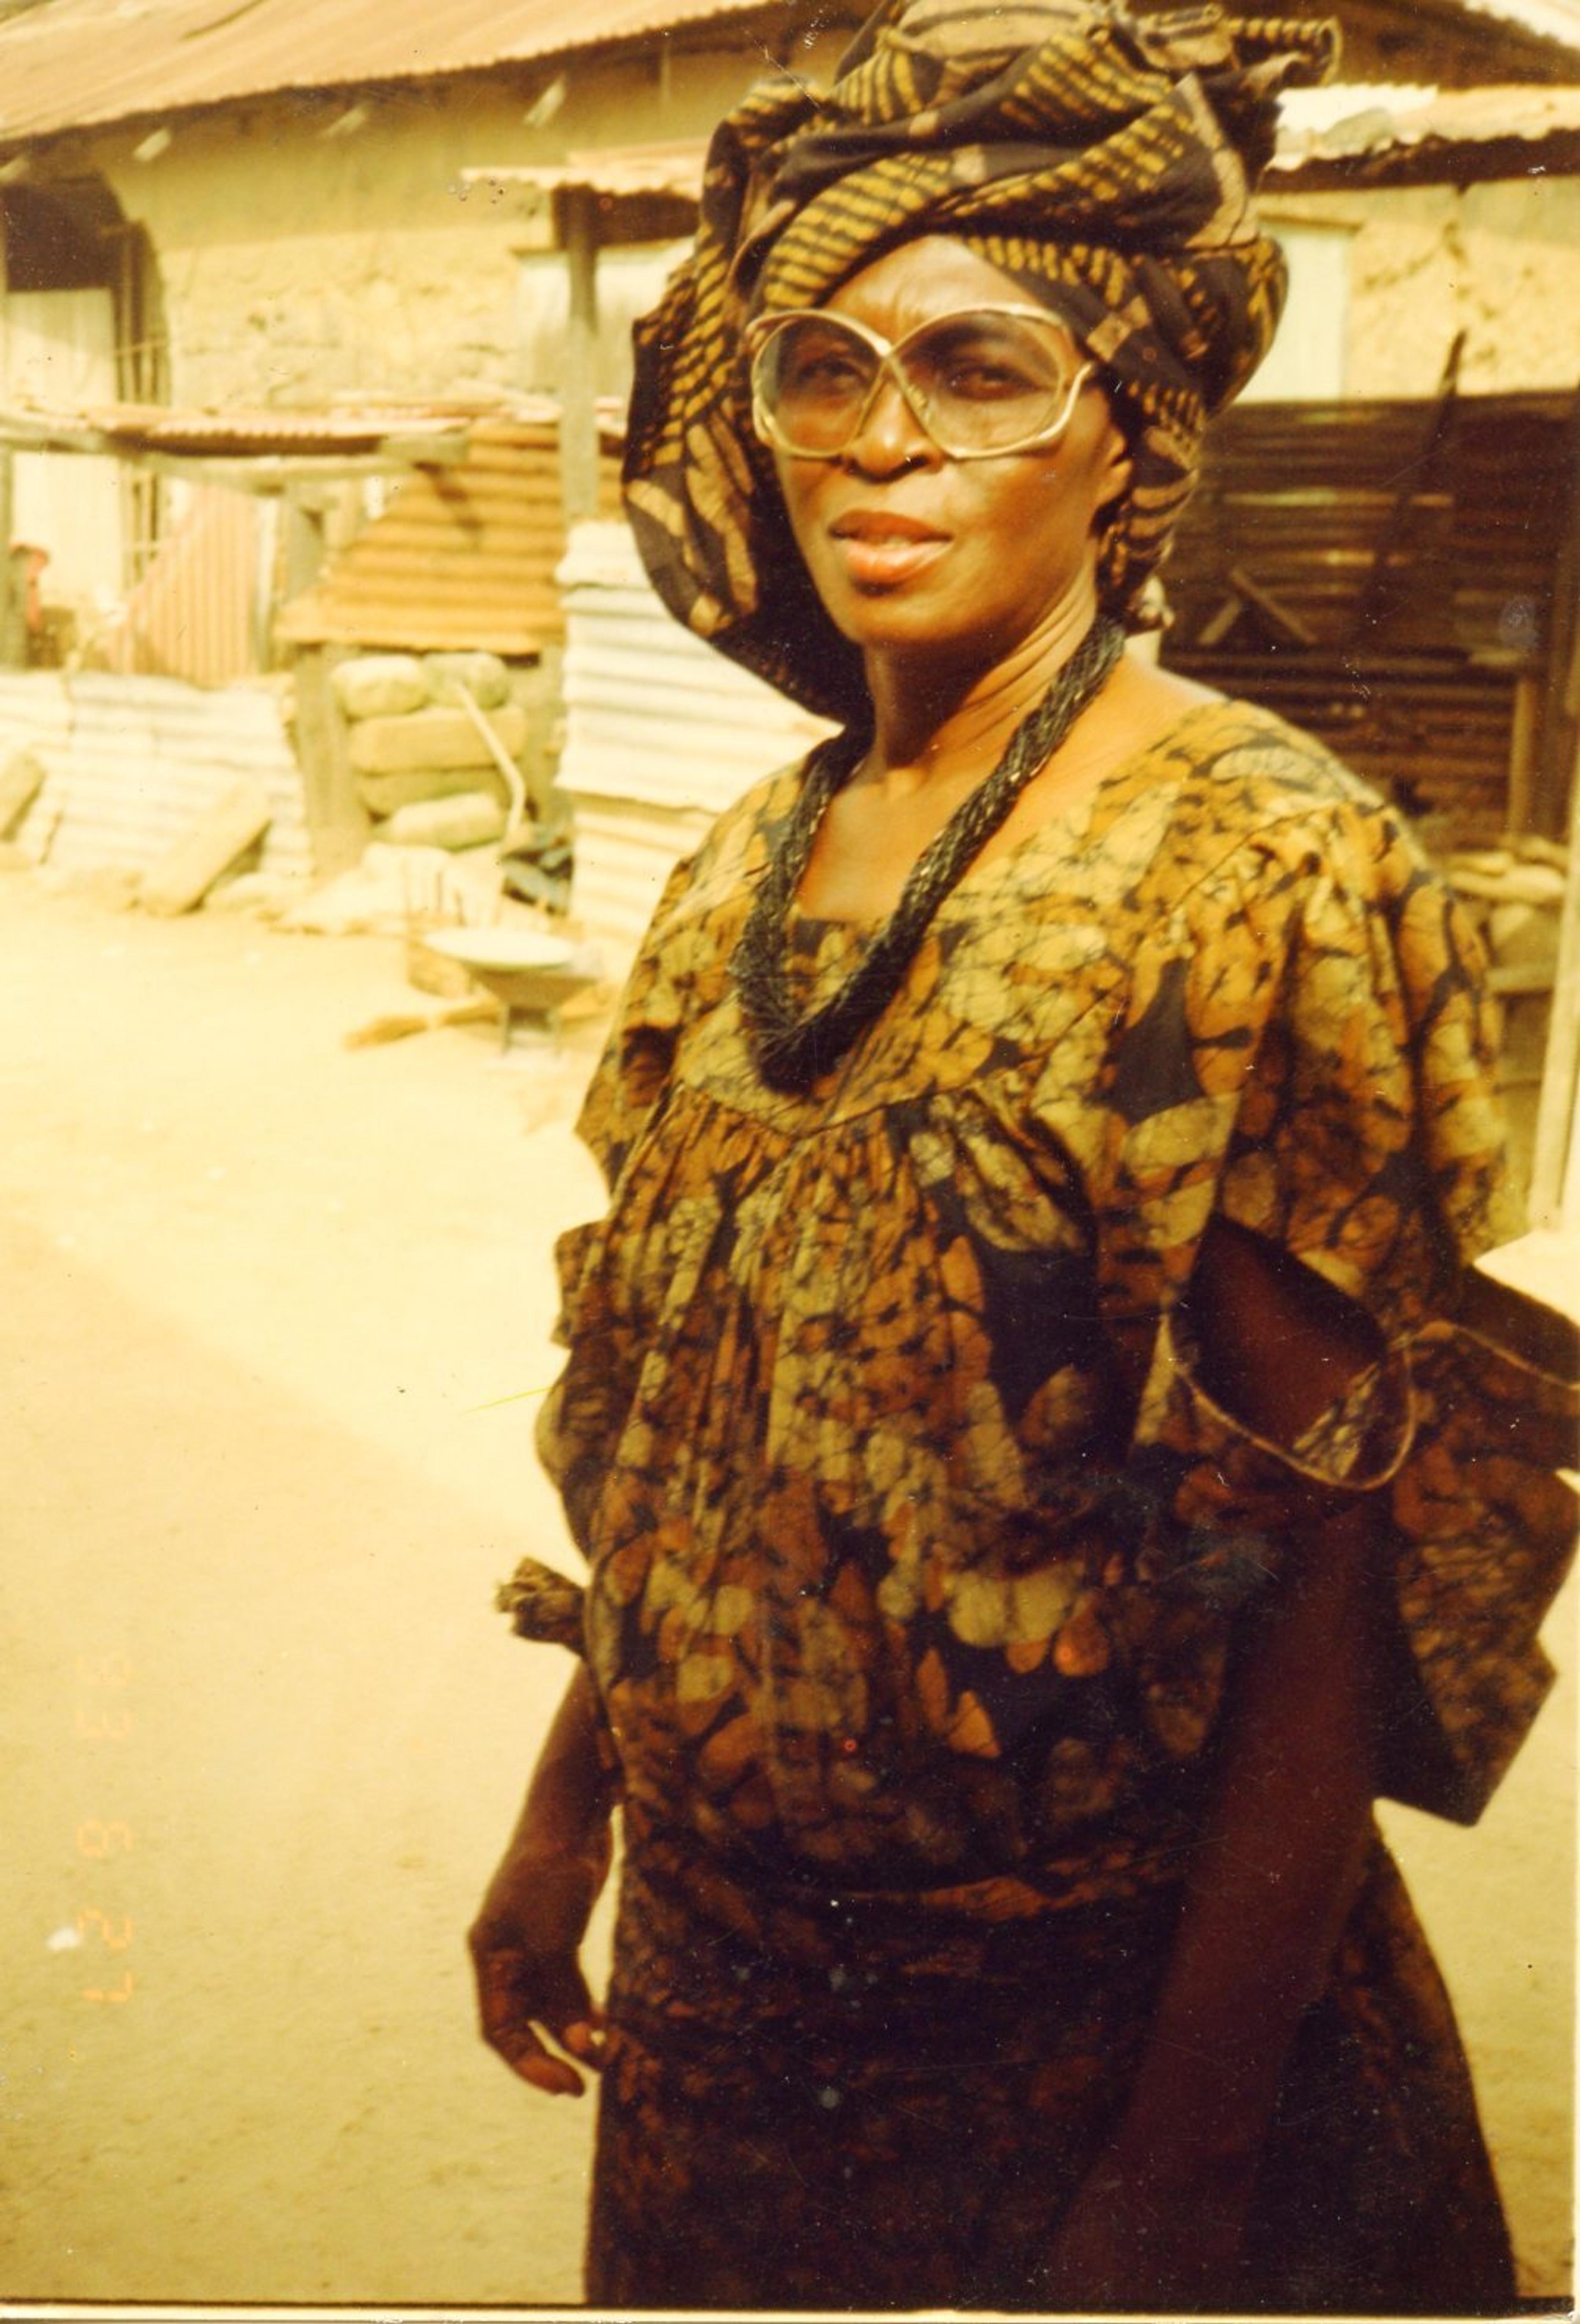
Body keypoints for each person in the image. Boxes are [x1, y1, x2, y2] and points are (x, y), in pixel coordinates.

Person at [468, 2, 1579, 2310]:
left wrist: (1175, 2174)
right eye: (827, 370)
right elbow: (709, 1446)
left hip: (1109, 2043)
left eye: (986, 374)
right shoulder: (744, 863)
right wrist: (560, 1817)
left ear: (1134, 435)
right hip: (732, 2029)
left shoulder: (1254, 863)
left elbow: (1317, 1602)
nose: (889, 444)